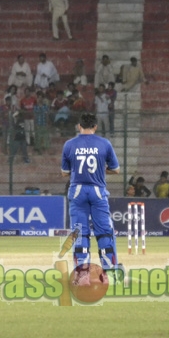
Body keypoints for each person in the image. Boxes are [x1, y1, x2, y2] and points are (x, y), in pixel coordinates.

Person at [61, 112, 122, 287]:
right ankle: (110, 272)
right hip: (97, 191)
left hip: (77, 191)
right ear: (95, 126)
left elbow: (64, 172)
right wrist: (99, 170)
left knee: (79, 233)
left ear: (79, 126)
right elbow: (116, 170)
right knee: (104, 232)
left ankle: (82, 275)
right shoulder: (105, 144)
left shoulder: (69, 145)